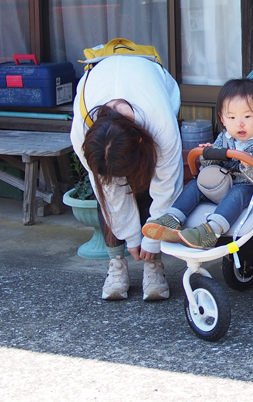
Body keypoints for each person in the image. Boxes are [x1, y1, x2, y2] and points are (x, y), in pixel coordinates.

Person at [70, 55, 183, 301]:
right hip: (102, 78)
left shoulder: (160, 123)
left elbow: (167, 186)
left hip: (152, 83)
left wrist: (151, 242)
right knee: (107, 191)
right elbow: (109, 191)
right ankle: (116, 265)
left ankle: (153, 266)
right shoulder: (82, 133)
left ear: (141, 141)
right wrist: (131, 237)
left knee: (144, 188)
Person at [143, 78, 253, 249]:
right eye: (232, 117)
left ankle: (211, 231)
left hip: (252, 190)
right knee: (195, 185)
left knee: (238, 192)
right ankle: (172, 218)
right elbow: (209, 169)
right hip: (222, 184)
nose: (239, 123)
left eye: (247, 116)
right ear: (223, 119)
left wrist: (249, 167)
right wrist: (209, 154)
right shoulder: (225, 138)